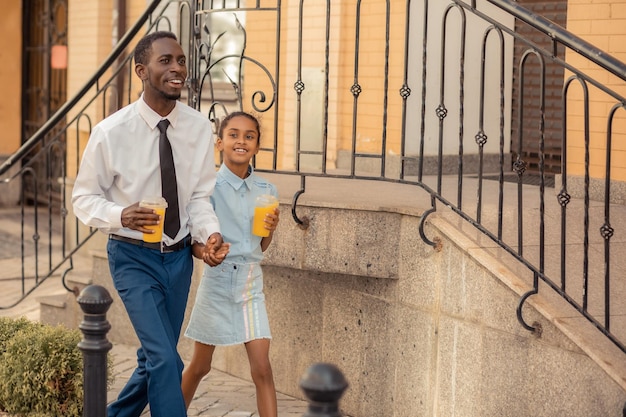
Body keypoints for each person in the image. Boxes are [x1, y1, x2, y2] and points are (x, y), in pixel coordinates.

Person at [71, 31, 228, 417]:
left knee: (153, 360)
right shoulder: (111, 132)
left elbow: (197, 199)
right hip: (132, 256)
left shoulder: (197, 128)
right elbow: (82, 198)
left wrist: (209, 235)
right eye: (166, 61)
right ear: (141, 71)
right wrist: (119, 214)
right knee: (165, 359)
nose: (177, 68)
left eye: (180, 61)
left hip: (178, 261)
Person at [181, 111, 280, 417]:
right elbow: (195, 241)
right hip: (217, 281)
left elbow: (259, 246)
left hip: (251, 283)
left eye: (249, 136)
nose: (241, 141)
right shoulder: (207, 188)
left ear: (257, 146)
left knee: (262, 368)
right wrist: (206, 254)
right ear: (220, 143)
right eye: (234, 135)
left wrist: (271, 230)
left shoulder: (267, 191)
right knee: (200, 366)